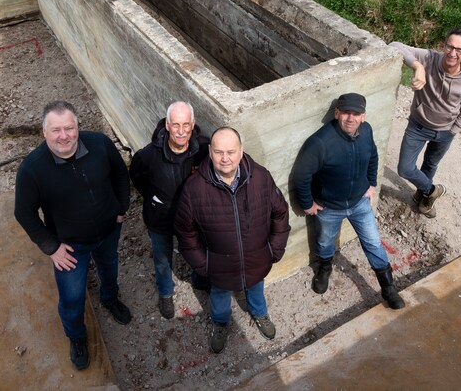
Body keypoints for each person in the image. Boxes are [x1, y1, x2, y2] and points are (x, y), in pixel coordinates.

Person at [14, 100, 132, 371]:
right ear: (44, 132)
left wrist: (121, 208)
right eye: (56, 130)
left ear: (78, 127)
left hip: (108, 231)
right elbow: (24, 213)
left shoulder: (100, 144)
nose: (64, 136)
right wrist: (51, 247)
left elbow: (120, 173)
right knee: (72, 297)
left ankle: (110, 298)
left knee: (109, 267)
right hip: (70, 247)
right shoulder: (32, 169)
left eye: (69, 128)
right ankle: (76, 336)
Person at [174, 127, 291, 353]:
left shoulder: (261, 177)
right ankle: (220, 323)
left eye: (230, 152)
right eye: (219, 152)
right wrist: (204, 264)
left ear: (241, 151)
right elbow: (185, 232)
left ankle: (259, 313)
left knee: (256, 286)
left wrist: (274, 249)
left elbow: (280, 213)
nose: (225, 158)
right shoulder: (194, 189)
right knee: (219, 294)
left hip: (257, 259)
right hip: (219, 267)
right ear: (210, 152)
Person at [293, 93, 405, 310]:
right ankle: (325, 269)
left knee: (373, 242)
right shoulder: (320, 143)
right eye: (346, 113)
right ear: (337, 114)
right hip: (329, 207)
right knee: (325, 241)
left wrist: (371, 184)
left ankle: (388, 287)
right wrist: (307, 204)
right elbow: (301, 176)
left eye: (356, 114)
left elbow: (373, 156)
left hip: (360, 203)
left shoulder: (367, 131)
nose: (350, 118)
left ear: (363, 116)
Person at [130, 101, 209, 319]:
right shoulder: (148, 155)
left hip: (190, 218)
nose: (181, 131)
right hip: (160, 218)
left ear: (192, 124)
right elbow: (138, 177)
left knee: (197, 250)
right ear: (167, 124)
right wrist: (156, 200)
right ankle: (166, 292)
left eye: (186, 124)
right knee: (162, 259)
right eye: (175, 125)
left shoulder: (203, 149)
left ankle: (200, 280)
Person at [390, 28, 461, 218]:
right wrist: (418, 67)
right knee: (405, 169)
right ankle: (432, 190)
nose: (452, 53)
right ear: (444, 45)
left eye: (459, 50)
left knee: (430, 165)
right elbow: (395, 45)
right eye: (449, 46)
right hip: (418, 125)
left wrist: (455, 129)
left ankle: (423, 197)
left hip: (445, 131)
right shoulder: (429, 58)